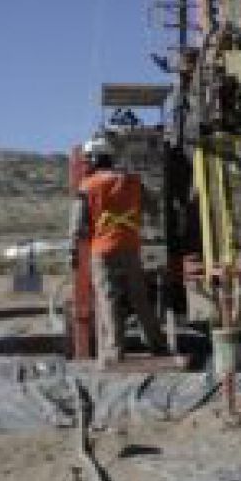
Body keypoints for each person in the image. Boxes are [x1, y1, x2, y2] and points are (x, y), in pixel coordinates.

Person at [70, 135, 170, 364]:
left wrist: (73, 249)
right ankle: (158, 345)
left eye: (88, 160)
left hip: (102, 250)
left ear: (95, 159)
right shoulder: (133, 181)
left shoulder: (88, 186)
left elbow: (78, 225)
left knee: (108, 298)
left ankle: (116, 351)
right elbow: (153, 208)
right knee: (139, 298)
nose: (87, 164)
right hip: (130, 247)